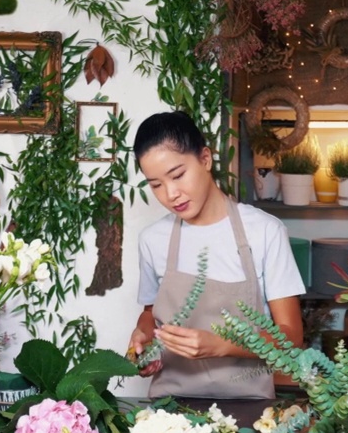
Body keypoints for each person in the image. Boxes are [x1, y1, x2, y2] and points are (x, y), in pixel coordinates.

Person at [128, 110, 304, 399]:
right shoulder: (153, 240)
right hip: (170, 412)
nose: (171, 194)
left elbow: (291, 337)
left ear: (205, 159)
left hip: (250, 409)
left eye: (178, 175)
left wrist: (221, 344)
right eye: (156, 185)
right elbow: (151, 313)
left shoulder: (265, 231)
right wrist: (142, 338)